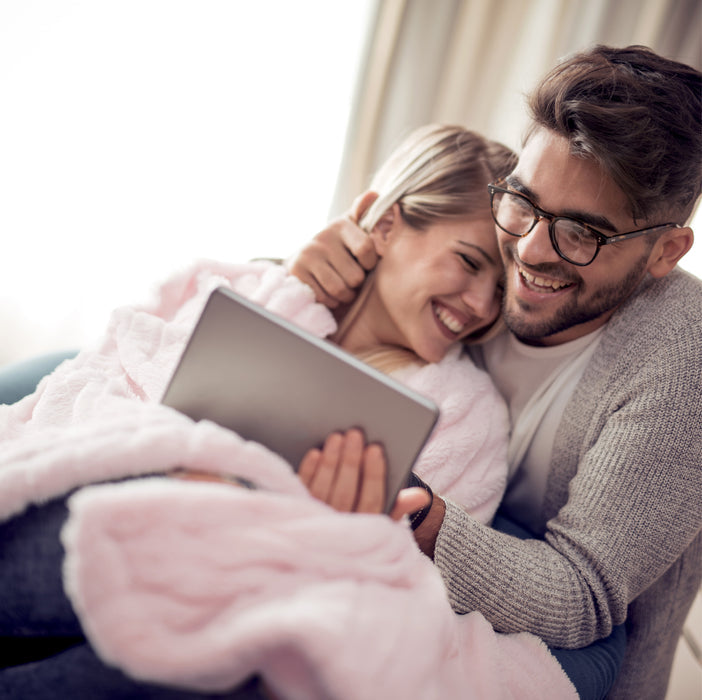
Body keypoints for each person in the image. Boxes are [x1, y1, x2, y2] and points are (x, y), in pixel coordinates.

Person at [2, 126, 587, 699]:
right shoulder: (256, 287)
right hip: (133, 503)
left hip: (249, 585)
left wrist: (345, 529)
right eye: (468, 262)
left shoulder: (467, 416)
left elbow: (412, 588)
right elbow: (113, 393)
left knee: (220, 649)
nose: (483, 305)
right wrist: (292, 297)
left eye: (501, 282)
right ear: (385, 224)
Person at [288, 44, 702, 700]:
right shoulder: (500, 257)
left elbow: (582, 593)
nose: (531, 253)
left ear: (665, 251)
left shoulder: (685, 360)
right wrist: (318, 269)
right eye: (524, 203)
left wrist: (412, 510)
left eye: (582, 234)